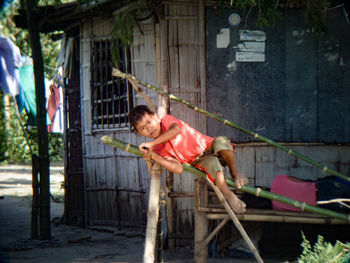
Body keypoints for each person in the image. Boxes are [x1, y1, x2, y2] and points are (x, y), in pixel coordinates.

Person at [129, 105, 248, 213]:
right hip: (199, 160)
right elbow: (178, 168)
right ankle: (230, 196)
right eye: (143, 128)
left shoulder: (166, 120)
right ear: (140, 133)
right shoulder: (157, 149)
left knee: (222, 141)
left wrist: (151, 144)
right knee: (213, 164)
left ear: (156, 117)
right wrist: (154, 156)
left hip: (208, 145)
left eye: (149, 122)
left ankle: (234, 171)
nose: (149, 128)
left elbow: (175, 130)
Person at [270, 174, 350, 213]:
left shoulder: (277, 207)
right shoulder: (278, 179)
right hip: (320, 187)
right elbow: (303, 182)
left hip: (320, 205)